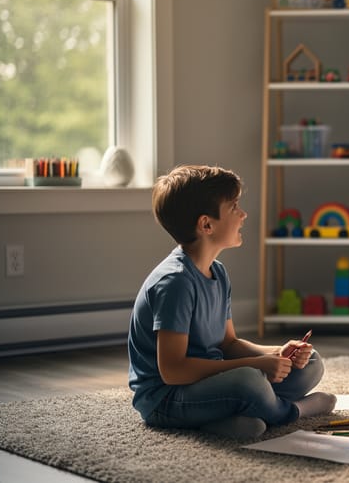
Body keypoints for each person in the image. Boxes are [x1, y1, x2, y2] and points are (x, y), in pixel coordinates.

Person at [128, 165, 335, 440]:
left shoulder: (218, 272)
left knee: (311, 363)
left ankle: (228, 418)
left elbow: (229, 344)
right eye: (234, 207)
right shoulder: (175, 283)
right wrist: (255, 366)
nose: (243, 214)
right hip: (166, 400)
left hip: (209, 383)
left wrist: (275, 353)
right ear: (206, 224)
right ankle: (295, 411)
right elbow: (173, 371)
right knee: (249, 380)